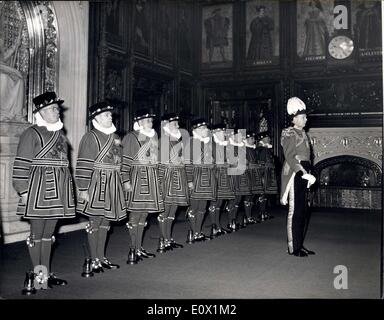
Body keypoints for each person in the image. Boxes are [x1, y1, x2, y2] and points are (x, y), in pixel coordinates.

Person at [12, 91, 75, 294]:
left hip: (59, 191)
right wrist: (23, 191)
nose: (57, 112)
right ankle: (37, 275)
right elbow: (21, 164)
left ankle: (45, 274)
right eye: (52, 109)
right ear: (41, 112)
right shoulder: (31, 133)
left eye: (57, 108)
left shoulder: (60, 135)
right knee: (37, 235)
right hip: (38, 192)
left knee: (49, 235)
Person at [75, 101, 126, 273]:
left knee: (106, 222)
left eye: (111, 114)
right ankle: (94, 259)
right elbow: (83, 163)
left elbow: (121, 161)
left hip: (113, 182)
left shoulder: (116, 137)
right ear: (96, 117)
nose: (110, 117)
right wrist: (83, 188)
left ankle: (101, 257)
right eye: (106, 114)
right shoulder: (90, 137)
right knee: (95, 222)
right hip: (96, 183)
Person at [122, 109, 164, 264]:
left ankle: (139, 248)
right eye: (147, 121)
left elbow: (156, 160)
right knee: (135, 214)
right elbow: (125, 161)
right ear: (139, 123)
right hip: (137, 179)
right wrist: (126, 180)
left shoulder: (153, 137)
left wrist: (159, 179)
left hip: (151, 179)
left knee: (144, 215)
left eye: (151, 121)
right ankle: (133, 248)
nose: (150, 123)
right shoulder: (131, 137)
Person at [280, 97, 316, 257]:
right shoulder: (289, 133)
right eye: (303, 117)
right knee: (295, 210)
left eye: (305, 116)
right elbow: (289, 156)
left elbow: (308, 156)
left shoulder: (303, 133)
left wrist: (309, 172)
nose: (306, 119)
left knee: (303, 209)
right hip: (296, 172)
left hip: (305, 169)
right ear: (294, 118)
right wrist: (303, 173)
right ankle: (293, 247)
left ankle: (299, 244)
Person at [157, 113, 189, 251]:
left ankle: (168, 238)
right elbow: (160, 162)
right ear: (166, 126)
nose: (178, 126)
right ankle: (163, 239)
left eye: (177, 124)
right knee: (165, 209)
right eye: (174, 124)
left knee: (173, 210)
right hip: (167, 178)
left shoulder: (177, 141)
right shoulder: (163, 140)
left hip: (178, 177)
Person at [185, 118, 216, 242]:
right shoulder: (191, 142)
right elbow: (188, 163)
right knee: (194, 207)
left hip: (206, 177)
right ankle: (193, 232)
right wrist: (189, 180)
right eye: (204, 128)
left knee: (203, 207)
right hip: (196, 177)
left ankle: (198, 232)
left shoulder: (205, 143)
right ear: (196, 130)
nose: (207, 130)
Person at [209, 124, 234, 236]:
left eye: (224, 132)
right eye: (221, 132)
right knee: (214, 202)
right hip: (215, 175)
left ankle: (218, 226)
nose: (224, 134)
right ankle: (214, 226)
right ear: (215, 133)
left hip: (223, 174)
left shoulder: (223, 145)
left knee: (220, 202)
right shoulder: (211, 145)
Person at [225, 129, 249, 231]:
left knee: (238, 199)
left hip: (240, 175)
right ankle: (231, 221)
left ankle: (234, 219)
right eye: (239, 136)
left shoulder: (241, 147)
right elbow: (228, 161)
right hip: (232, 175)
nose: (241, 138)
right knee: (233, 198)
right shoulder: (228, 146)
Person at [0, 27, 26, 121]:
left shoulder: (0, 42)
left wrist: (16, 45)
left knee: (19, 80)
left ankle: (17, 114)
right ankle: (3, 112)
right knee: (3, 78)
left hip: (3, 67)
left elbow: (5, 55)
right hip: (2, 71)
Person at [255, 131, 278, 221]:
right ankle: (261, 213)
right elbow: (261, 163)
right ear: (263, 139)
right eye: (268, 138)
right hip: (263, 174)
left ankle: (263, 212)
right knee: (262, 193)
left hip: (266, 173)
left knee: (265, 194)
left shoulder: (265, 149)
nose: (269, 139)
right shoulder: (262, 149)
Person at [242, 131, 260, 224]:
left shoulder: (254, 150)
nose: (254, 140)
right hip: (247, 175)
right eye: (251, 138)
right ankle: (247, 216)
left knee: (252, 195)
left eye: (254, 138)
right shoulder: (243, 149)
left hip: (254, 174)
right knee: (248, 196)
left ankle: (249, 216)